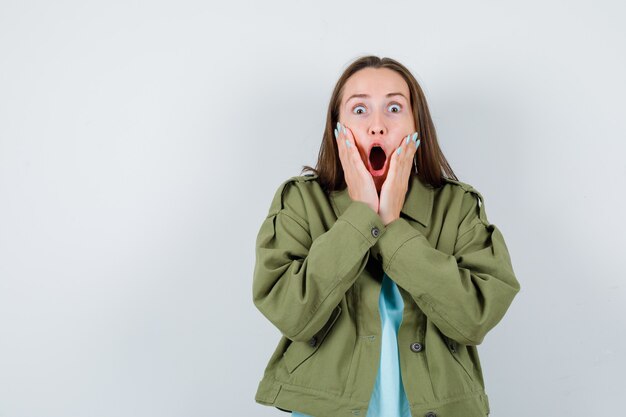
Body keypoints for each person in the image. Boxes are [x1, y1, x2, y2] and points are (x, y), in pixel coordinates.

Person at [251, 55, 521, 417]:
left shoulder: (457, 206)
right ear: (338, 127)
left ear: (416, 125)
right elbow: (292, 313)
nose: (377, 125)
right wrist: (362, 217)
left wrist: (391, 226)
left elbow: (473, 317)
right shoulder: (300, 201)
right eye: (359, 110)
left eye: (394, 107)